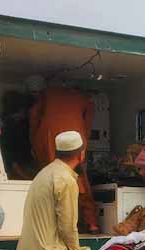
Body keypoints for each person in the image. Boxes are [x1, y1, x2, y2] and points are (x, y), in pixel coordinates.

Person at [29, 85, 99, 234]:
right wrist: (83, 143)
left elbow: (34, 115)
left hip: (49, 138)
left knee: (51, 183)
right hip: (76, 139)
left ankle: (52, 224)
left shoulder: (46, 94)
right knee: (80, 180)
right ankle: (92, 223)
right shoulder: (85, 99)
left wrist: (34, 139)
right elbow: (87, 125)